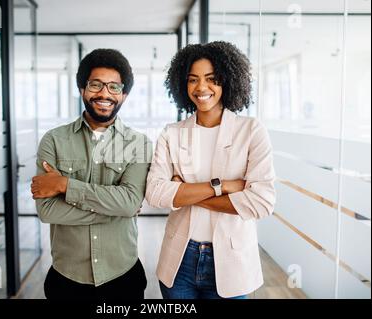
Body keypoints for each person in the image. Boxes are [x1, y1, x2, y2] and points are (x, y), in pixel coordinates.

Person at [145, 41, 276, 299]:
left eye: (211, 79)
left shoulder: (251, 131)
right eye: (193, 80)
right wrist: (224, 186)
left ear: (227, 81)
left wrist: (184, 192)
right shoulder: (172, 134)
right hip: (179, 260)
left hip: (231, 261)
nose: (201, 88)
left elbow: (262, 203)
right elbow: (155, 194)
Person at [31, 48, 152, 300]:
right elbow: (47, 211)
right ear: (82, 89)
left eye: (114, 87)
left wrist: (65, 185)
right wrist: (114, 211)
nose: (104, 93)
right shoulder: (53, 140)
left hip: (122, 276)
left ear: (124, 95)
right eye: (96, 85)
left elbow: (129, 203)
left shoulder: (138, 143)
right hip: (66, 278)